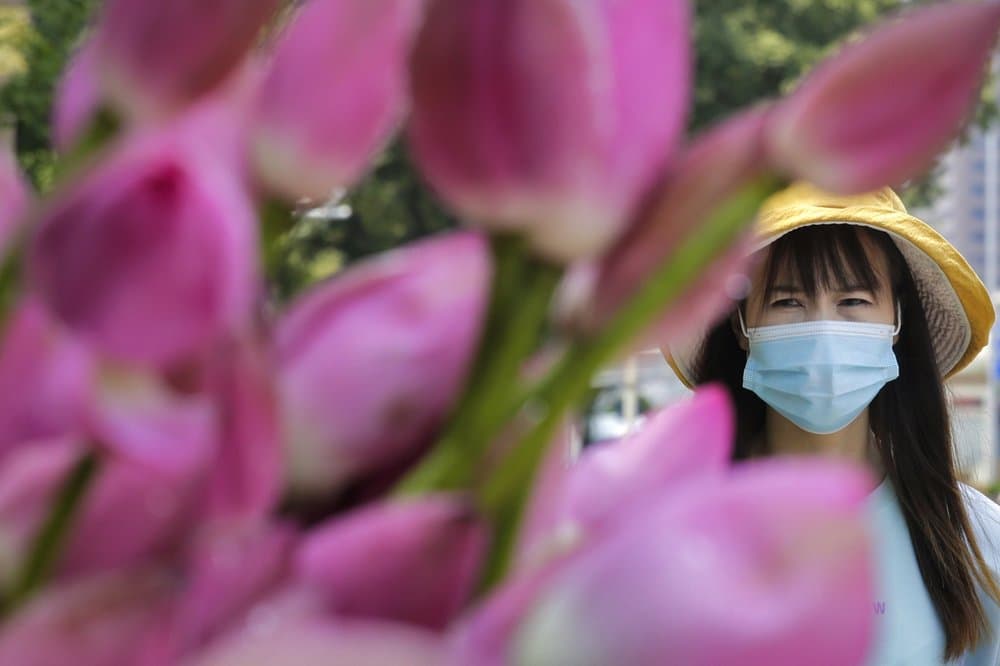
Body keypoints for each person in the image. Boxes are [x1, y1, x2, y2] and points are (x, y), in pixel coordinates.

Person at [664, 182, 1000, 664]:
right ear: (741, 325)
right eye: (787, 302)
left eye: (853, 301)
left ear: (897, 319)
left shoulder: (973, 541)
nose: (823, 329)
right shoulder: (672, 531)